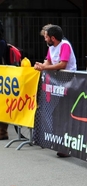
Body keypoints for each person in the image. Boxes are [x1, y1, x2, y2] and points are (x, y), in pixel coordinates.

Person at [34, 25, 76, 158]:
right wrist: (41, 66)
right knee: (54, 112)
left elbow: (63, 64)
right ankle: (54, 140)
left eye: (46, 36)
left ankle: (66, 145)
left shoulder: (64, 45)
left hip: (68, 82)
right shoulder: (51, 46)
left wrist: (46, 68)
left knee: (64, 113)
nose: (44, 38)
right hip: (57, 82)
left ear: (53, 38)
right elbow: (49, 62)